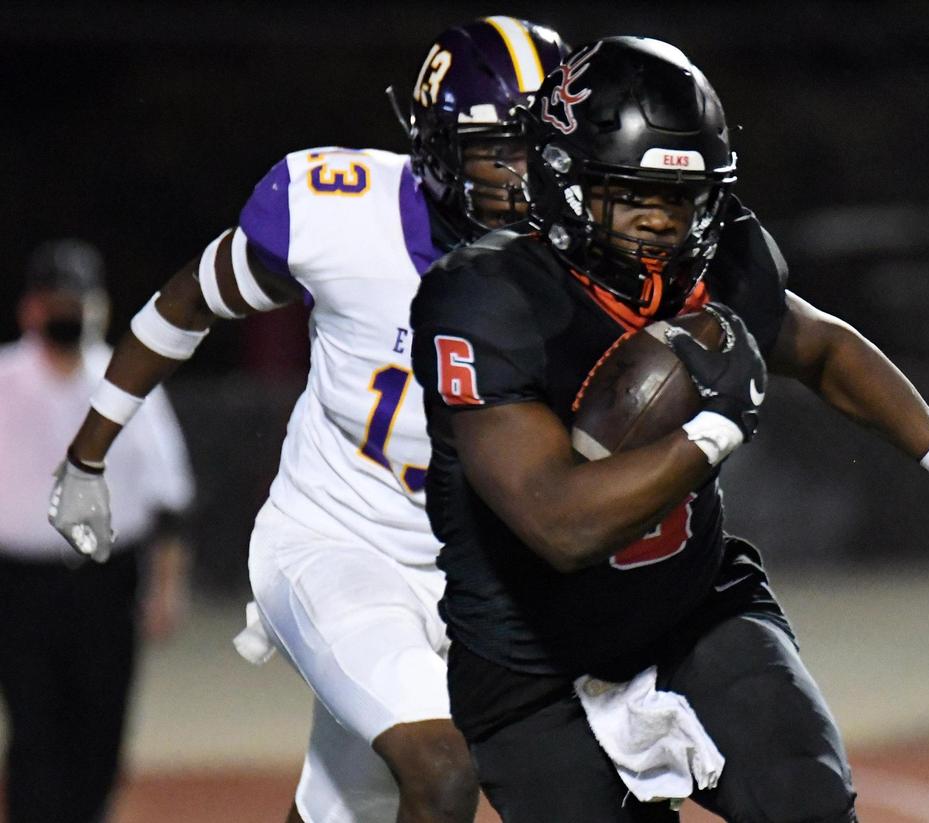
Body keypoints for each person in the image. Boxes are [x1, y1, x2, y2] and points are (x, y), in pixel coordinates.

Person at [409, 37, 929, 823]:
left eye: (683, 197)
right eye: (635, 196)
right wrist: (716, 427)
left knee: (811, 806)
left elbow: (822, 346)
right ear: (566, 182)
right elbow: (558, 523)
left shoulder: (718, 258)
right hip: (532, 667)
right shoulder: (487, 302)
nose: (661, 222)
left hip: (691, 611)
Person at [46, 17, 568, 823]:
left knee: (347, 804)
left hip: (476, 572)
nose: (525, 176)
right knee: (443, 769)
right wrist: (86, 455)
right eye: (498, 148)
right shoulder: (340, 216)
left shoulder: (584, 250)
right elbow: (187, 301)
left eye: (542, 147)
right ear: (436, 144)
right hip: (335, 541)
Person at [0, 238, 194, 823]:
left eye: (76, 301)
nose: (65, 314)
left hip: (106, 584)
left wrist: (167, 588)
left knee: (101, 727)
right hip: (20, 585)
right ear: (30, 308)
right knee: (35, 729)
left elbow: (171, 500)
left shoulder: (129, 379)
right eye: (54, 301)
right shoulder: (4, 379)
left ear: (100, 308)